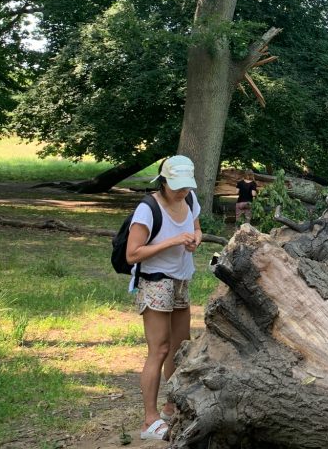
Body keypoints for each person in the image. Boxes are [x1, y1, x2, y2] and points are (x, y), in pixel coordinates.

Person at [126, 155, 203, 442]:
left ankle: (173, 407)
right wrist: (172, 240)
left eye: (186, 186)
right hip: (155, 281)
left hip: (182, 279)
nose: (182, 192)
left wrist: (196, 238)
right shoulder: (148, 209)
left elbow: (195, 227)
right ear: (164, 181)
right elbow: (132, 254)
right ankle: (149, 419)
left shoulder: (191, 199)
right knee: (158, 349)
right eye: (177, 186)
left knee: (180, 348)